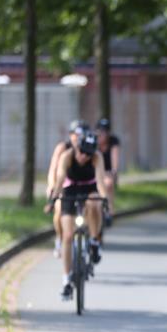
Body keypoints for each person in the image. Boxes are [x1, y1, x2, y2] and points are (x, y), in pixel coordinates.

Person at [45, 131, 108, 299]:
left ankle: (94, 240)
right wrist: (52, 201)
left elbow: (101, 182)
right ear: (76, 147)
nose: (84, 156)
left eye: (88, 153)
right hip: (70, 189)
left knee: (95, 202)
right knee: (67, 236)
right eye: (81, 152)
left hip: (89, 188)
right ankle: (66, 281)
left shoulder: (97, 157)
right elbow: (59, 180)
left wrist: (105, 199)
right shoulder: (67, 156)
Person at [46, 121, 88, 257]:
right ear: (71, 135)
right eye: (76, 134)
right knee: (58, 209)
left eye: (82, 135)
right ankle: (59, 238)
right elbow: (53, 169)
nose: (78, 138)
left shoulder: (88, 148)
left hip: (80, 186)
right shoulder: (62, 148)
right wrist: (52, 187)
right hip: (62, 185)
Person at [95, 118, 121, 222]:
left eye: (105, 131)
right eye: (100, 131)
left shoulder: (113, 141)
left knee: (108, 184)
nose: (103, 134)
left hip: (107, 171)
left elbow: (115, 157)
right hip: (95, 170)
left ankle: (109, 210)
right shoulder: (93, 141)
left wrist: (114, 171)